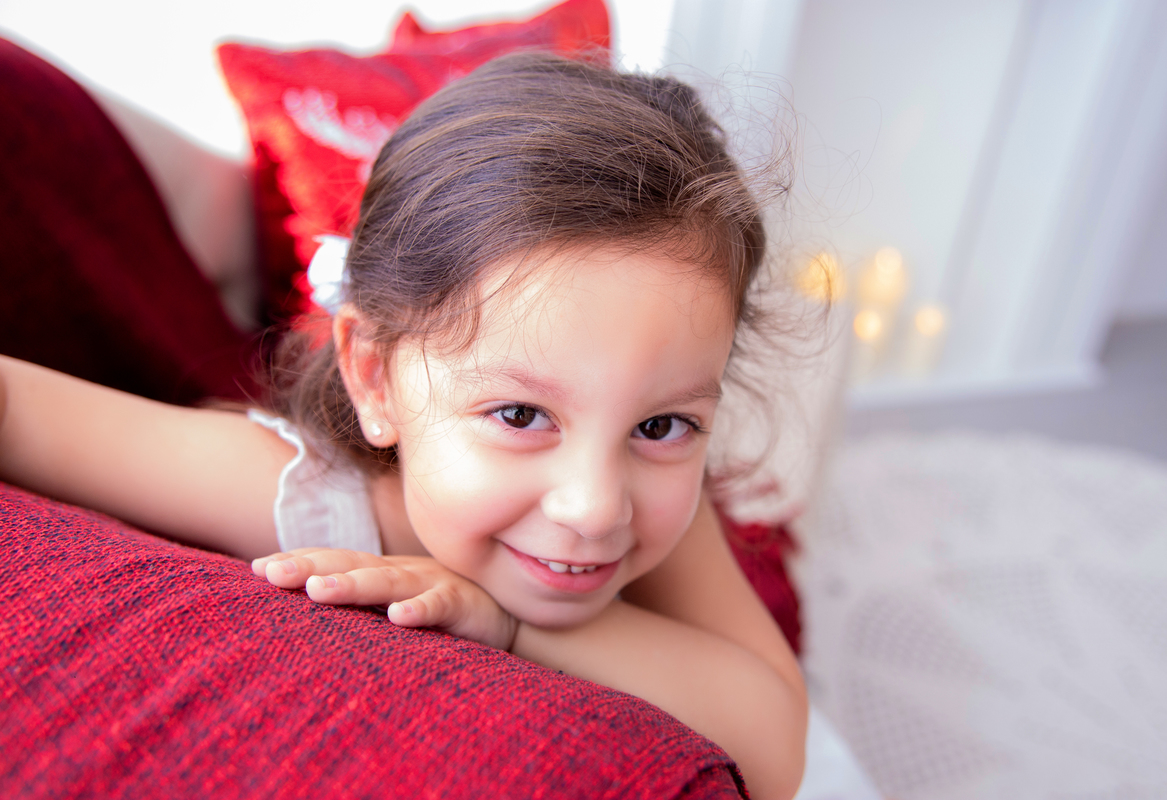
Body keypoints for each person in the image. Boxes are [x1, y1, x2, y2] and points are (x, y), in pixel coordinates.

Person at [0, 52, 806, 799]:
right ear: (375, 376)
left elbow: (773, 747)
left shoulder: (649, 496)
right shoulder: (305, 494)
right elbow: (26, 417)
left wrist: (510, 626)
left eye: (663, 425)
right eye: (521, 415)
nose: (595, 507)